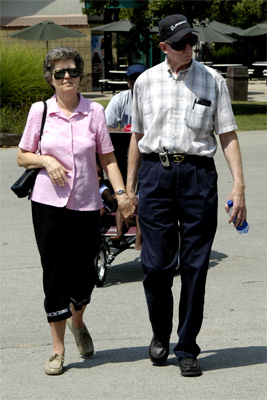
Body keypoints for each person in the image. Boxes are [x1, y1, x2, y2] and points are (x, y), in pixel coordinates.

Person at [126, 14, 247, 377]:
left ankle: (187, 346)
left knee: (195, 266)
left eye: (191, 41)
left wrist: (238, 185)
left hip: (197, 175)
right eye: (179, 44)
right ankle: (160, 332)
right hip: (155, 174)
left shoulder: (212, 80)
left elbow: (227, 134)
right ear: (163, 47)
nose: (188, 48)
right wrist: (128, 190)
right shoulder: (145, 82)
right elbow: (136, 137)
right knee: (156, 266)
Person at [17, 46, 134, 376]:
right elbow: (23, 155)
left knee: (85, 272)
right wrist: (45, 159)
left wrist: (122, 194)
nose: (66, 77)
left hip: (86, 203)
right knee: (54, 271)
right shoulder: (39, 111)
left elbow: (108, 159)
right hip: (47, 203)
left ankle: (77, 321)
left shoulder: (95, 112)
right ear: (50, 79)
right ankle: (57, 349)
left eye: (72, 71)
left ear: (81, 75)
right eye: (59, 73)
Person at [105, 64, 147, 249]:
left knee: (142, 195)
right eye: (132, 79)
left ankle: (139, 237)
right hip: (125, 153)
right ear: (128, 81)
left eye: (140, 78)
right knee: (122, 193)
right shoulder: (120, 100)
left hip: (150, 153)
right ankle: (120, 232)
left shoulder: (153, 99)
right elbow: (106, 127)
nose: (136, 82)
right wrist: (123, 131)